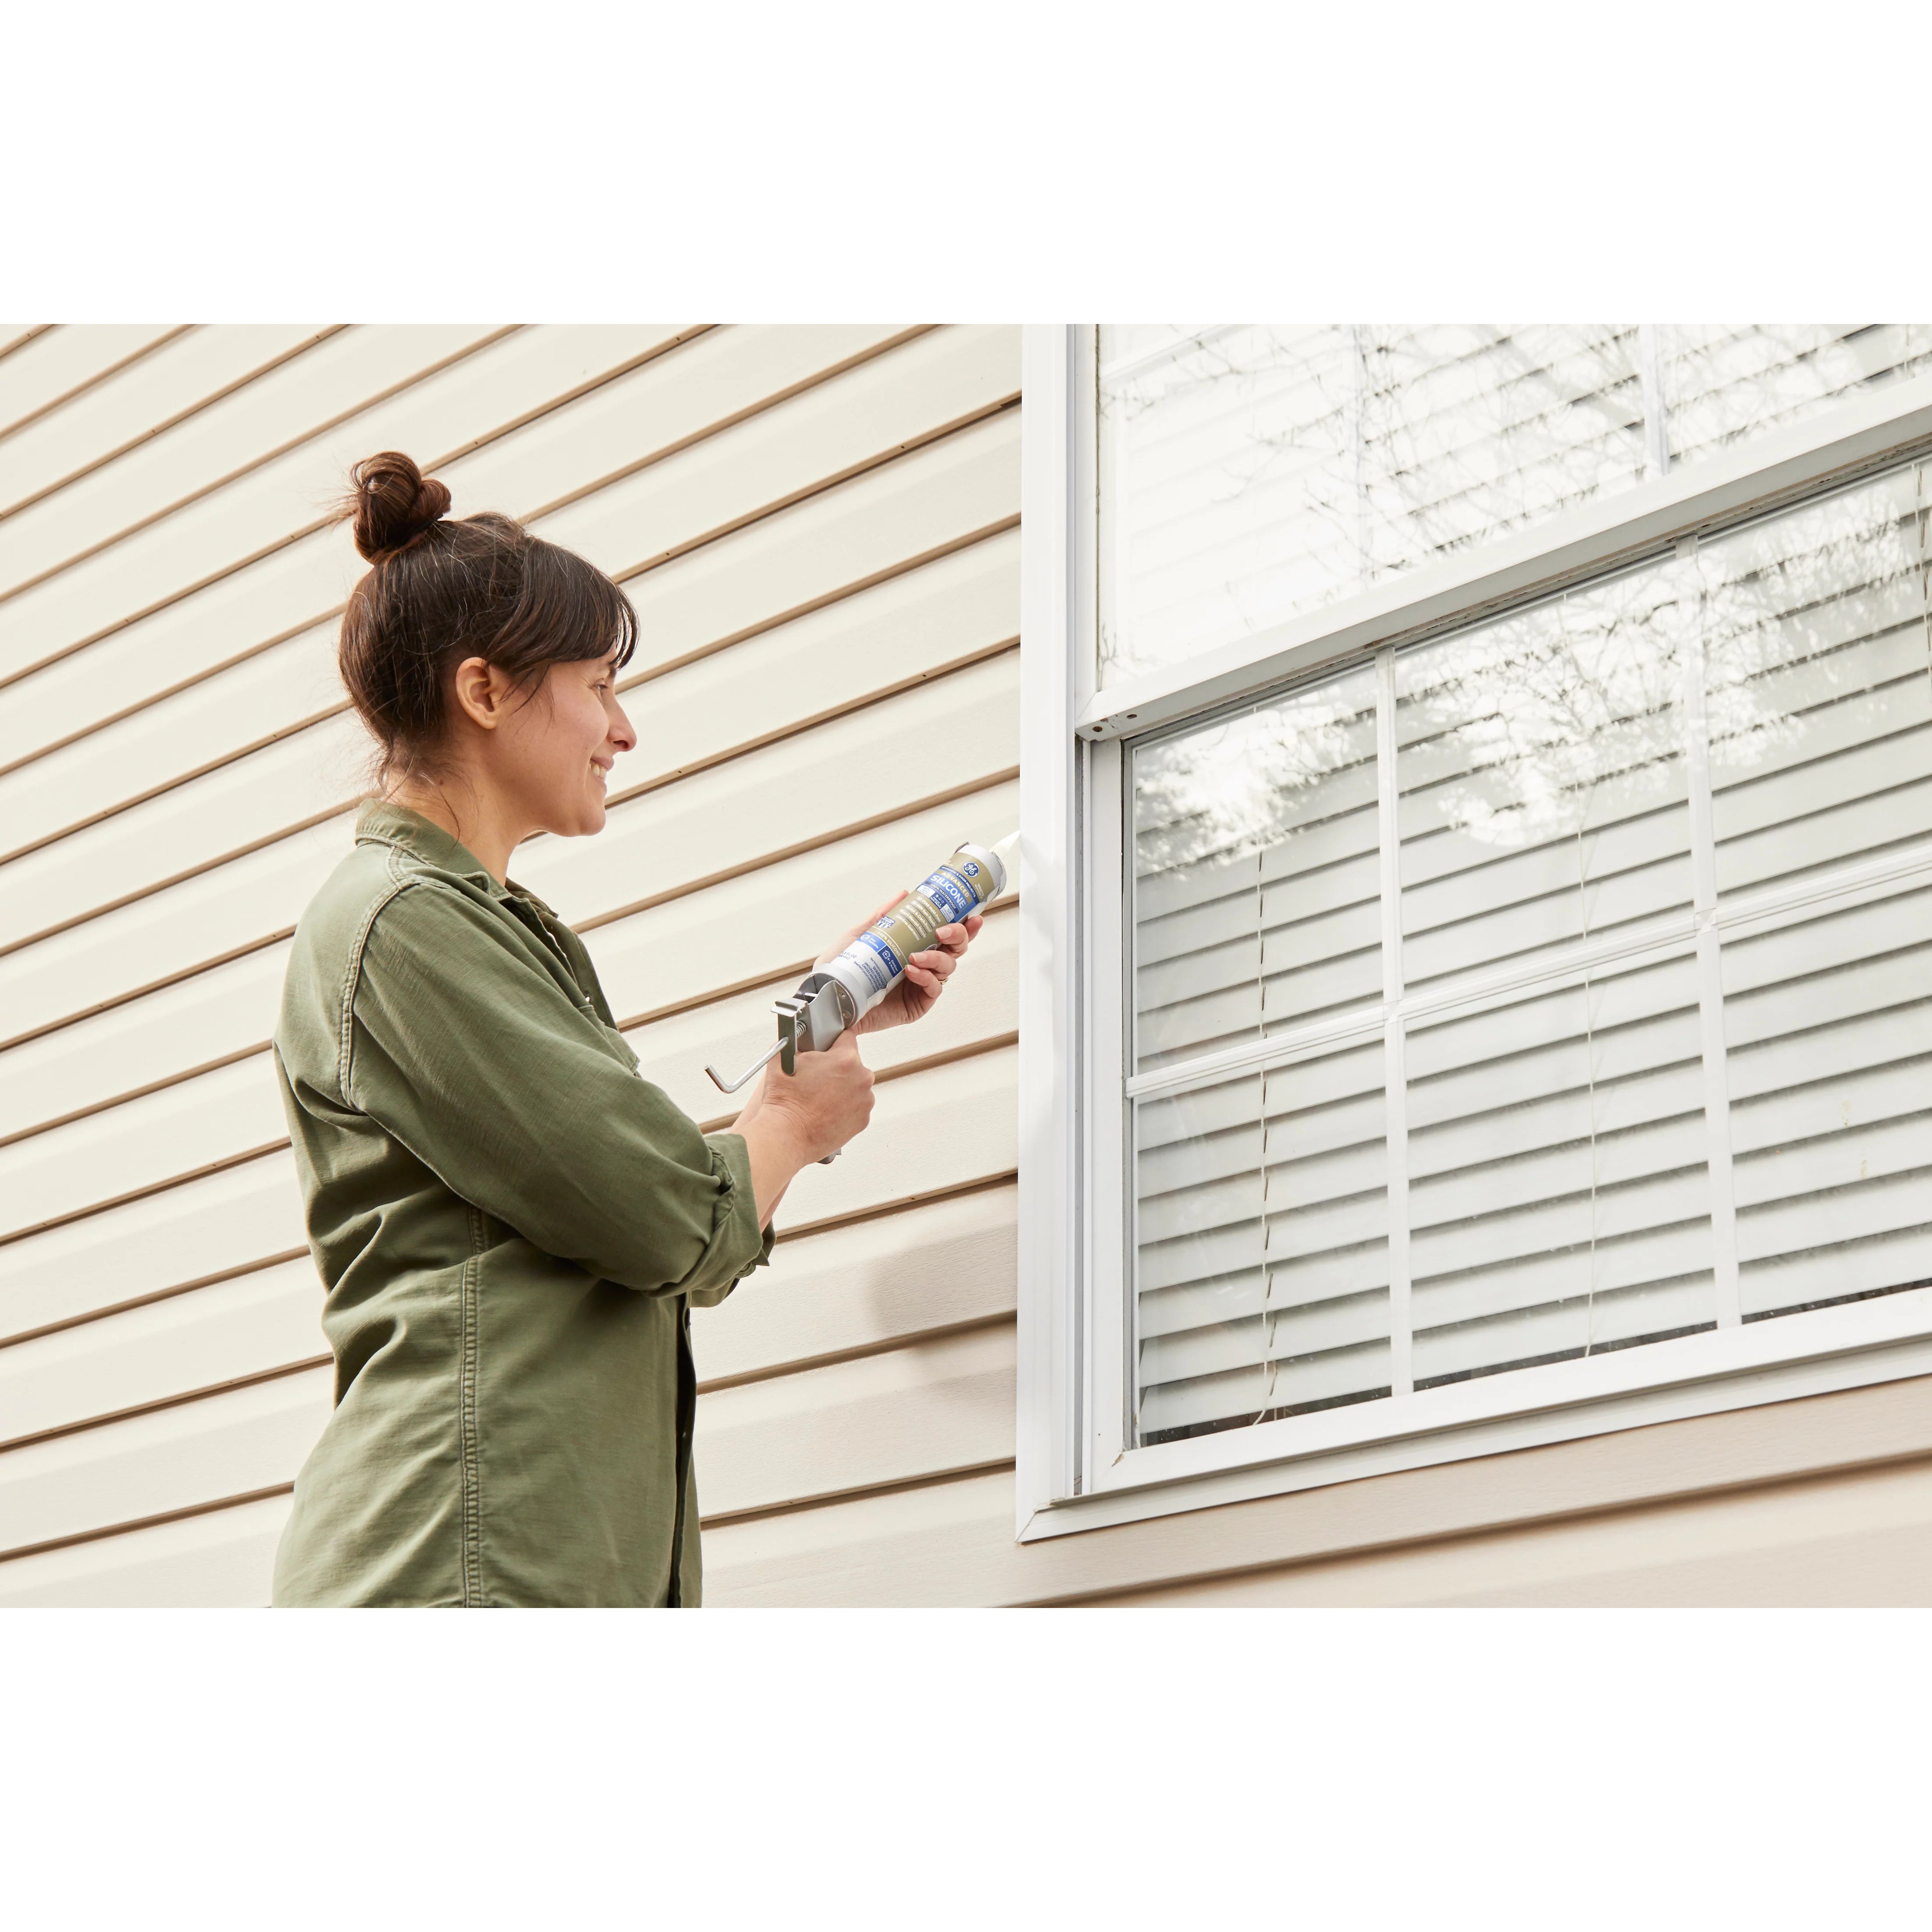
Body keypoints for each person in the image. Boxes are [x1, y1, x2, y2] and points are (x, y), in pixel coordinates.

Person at [270, 452, 981, 1607]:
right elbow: (664, 1222)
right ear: (485, 691)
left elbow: (627, 1206)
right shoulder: (404, 925)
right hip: (460, 1571)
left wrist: (806, 1058)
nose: (625, 728)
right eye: (599, 684)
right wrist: (794, 1121)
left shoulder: (463, 922)